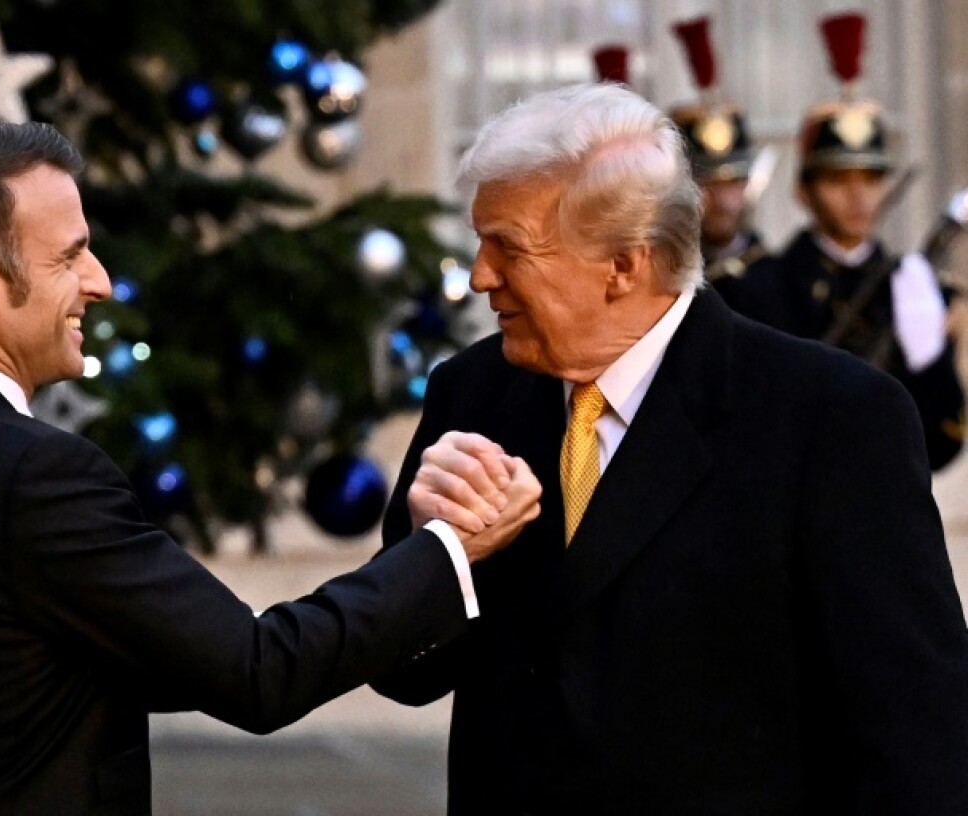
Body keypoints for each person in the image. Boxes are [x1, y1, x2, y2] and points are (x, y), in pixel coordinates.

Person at [0, 121, 542, 815]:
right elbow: (258, 673)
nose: (100, 281)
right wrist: (447, 548)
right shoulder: (35, 476)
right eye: (69, 254)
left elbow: (26, 673)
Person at [371, 82, 968, 814]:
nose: (480, 276)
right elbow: (404, 674)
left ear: (625, 263)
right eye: (479, 242)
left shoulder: (830, 418)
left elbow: (916, 735)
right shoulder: (472, 395)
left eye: (509, 248)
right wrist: (430, 556)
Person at [770, 11, 964, 470]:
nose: (859, 196)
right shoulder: (764, 289)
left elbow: (942, 445)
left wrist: (929, 359)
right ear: (803, 191)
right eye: (838, 179)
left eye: (872, 178)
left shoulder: (914, 288)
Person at [669, 14, 783, 324]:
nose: (723, 200)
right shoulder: (663, 280)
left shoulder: (783, 278)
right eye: (707, 183)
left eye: (733, 182)